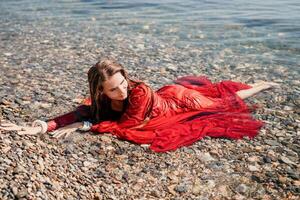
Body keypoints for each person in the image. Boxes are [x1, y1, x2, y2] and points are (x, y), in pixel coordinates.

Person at [0, 58, 279, 152]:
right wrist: (41, 126)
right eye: (113, 89)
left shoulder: (140, 91)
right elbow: (81, 112)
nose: (121, 90)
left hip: (179, 101)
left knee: (220, 102)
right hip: (167, 100)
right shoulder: (101, 99)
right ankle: (254, 85)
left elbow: (127, 126)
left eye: (123, 83)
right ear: (100, 91)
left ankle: (258, 87)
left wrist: (82, 126)